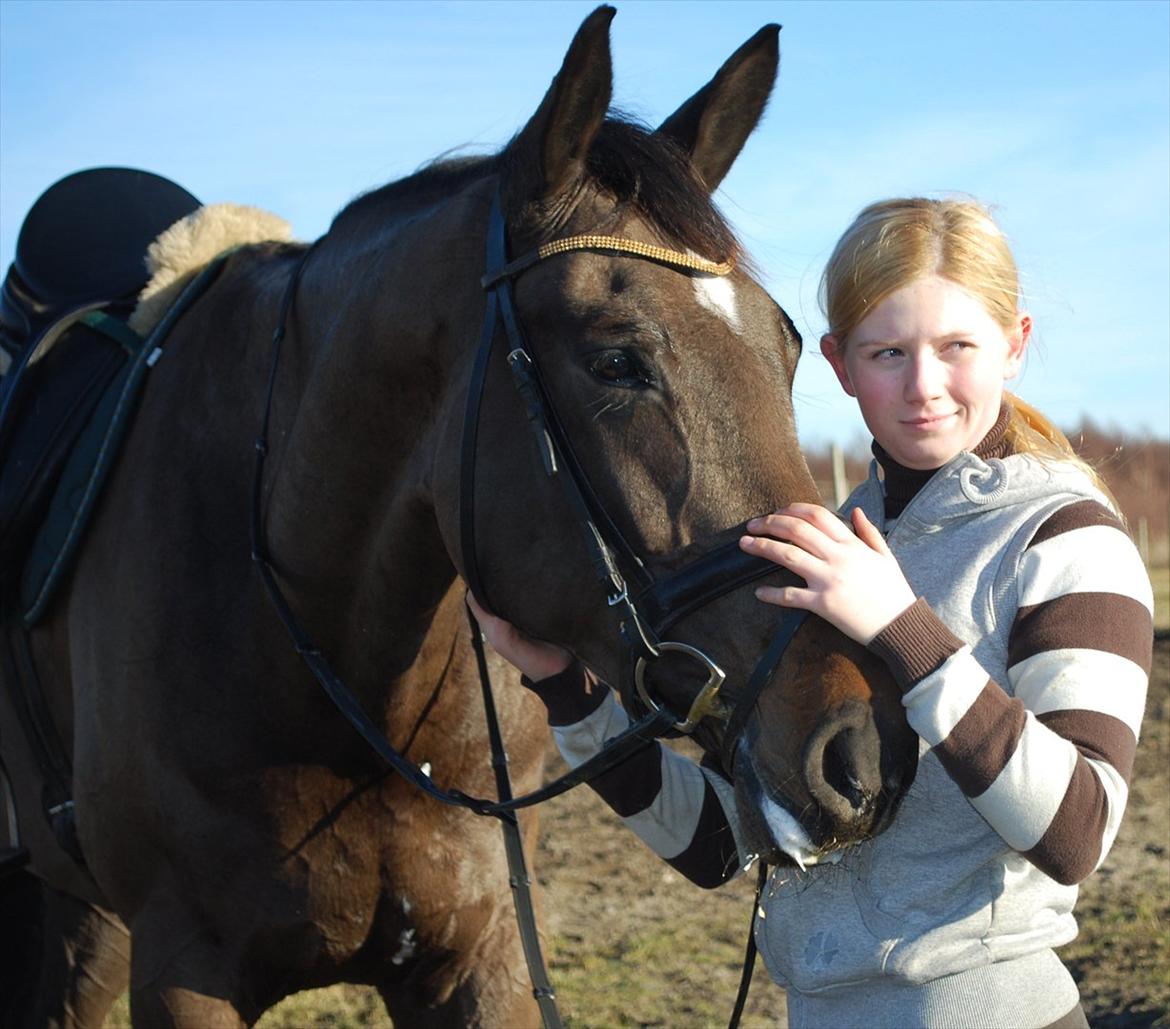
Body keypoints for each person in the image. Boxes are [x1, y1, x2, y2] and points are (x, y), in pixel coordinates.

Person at [467, 197, 1153, 1028]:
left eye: (957, 347)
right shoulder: (823, 545)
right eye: (888, 352)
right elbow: (725, 841)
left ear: (1015, 344)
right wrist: (570, 696)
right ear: (837, 364)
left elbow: (1078, 831)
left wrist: (902, 627)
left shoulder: (1066, 537)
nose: (923, 385)